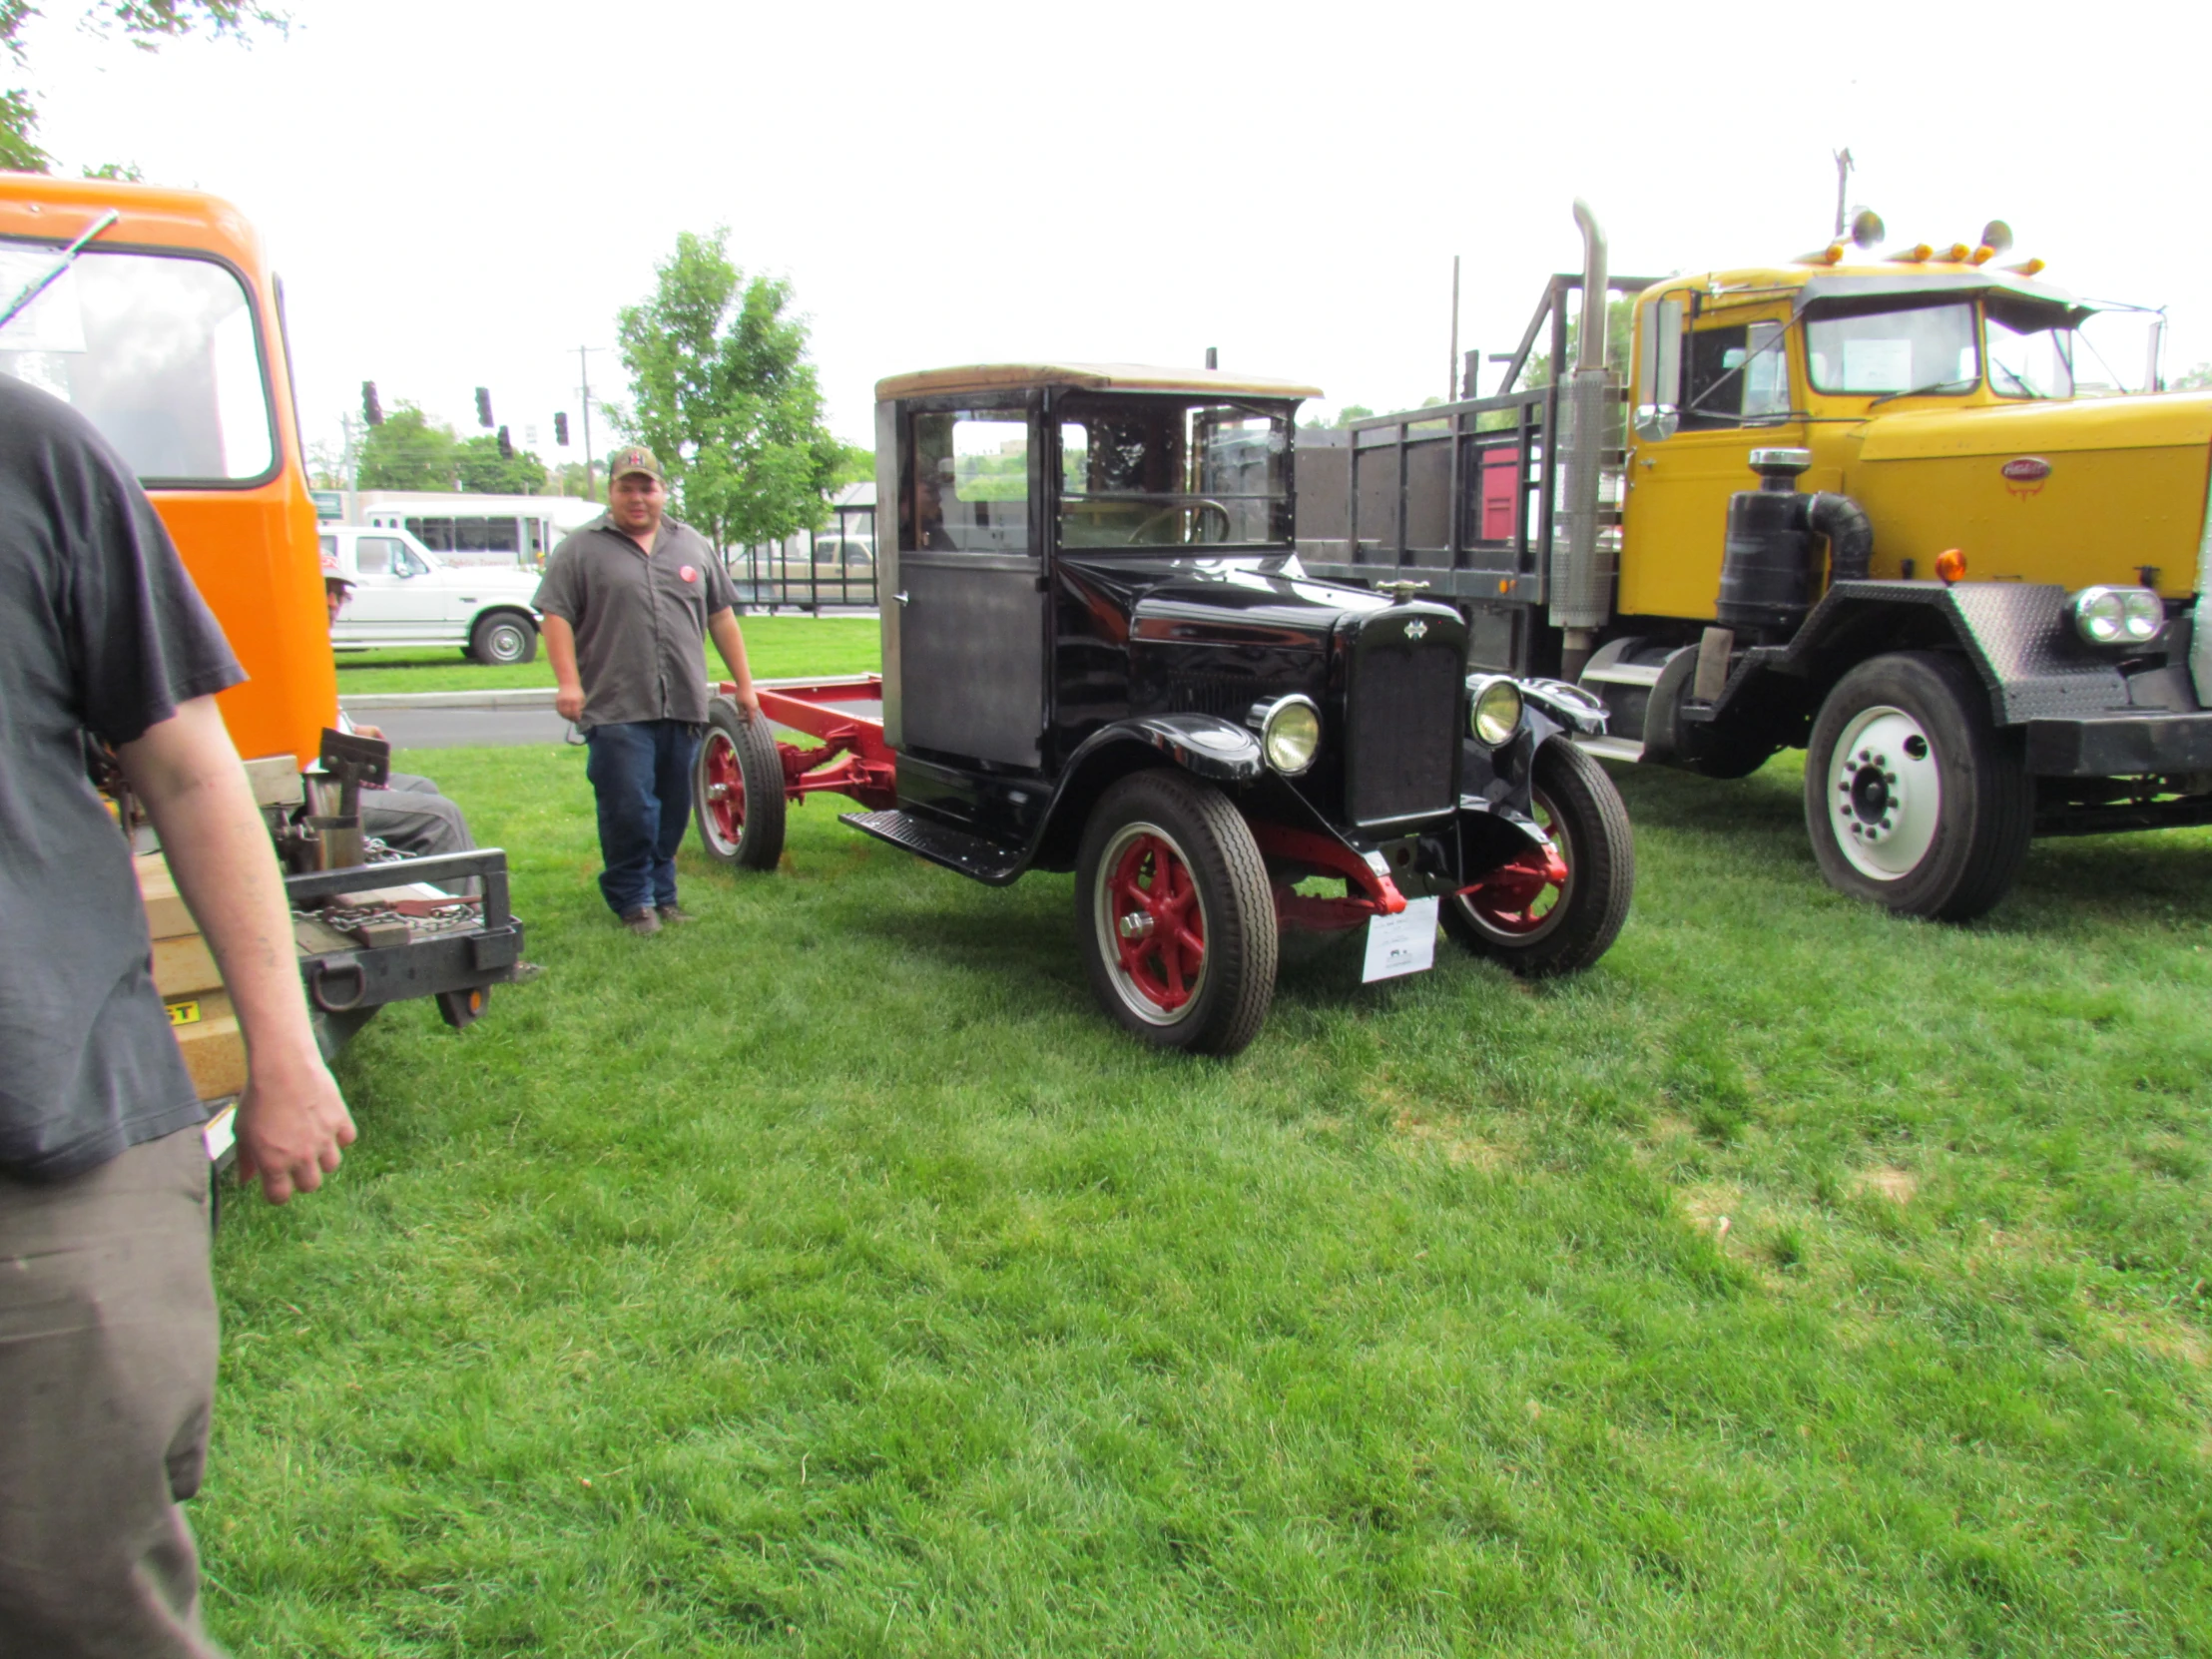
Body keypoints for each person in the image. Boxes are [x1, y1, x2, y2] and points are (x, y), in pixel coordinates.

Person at [0, 374, 355, 1656]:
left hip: (40, 1135)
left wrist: (284, 1050)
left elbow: (191, 766)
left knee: (70, 1592)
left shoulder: (31, 451)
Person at [534, 447, 761, 935]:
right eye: (626, 488)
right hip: (616, 703)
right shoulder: (581, 548)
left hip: (682, 702)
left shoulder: (692, 545)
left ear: (661, 491)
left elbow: (720, 616)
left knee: (674, 807)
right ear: (611, 491)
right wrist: (568, 683)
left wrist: (744, 685)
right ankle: (632, 899)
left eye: (647, 487)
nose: (637, 498)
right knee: (630, 807)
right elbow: (555, 615)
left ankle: (664, 894)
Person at [321, 560, 477, 861]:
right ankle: (457, 909)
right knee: (440, 817)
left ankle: (412, 898)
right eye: (321, 591)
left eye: (338, 593)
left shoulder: (313, 649)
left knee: (424, 788)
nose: (332, 602)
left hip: (336, 780)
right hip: (314, 797)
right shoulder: (288, 653)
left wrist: (352, 732)